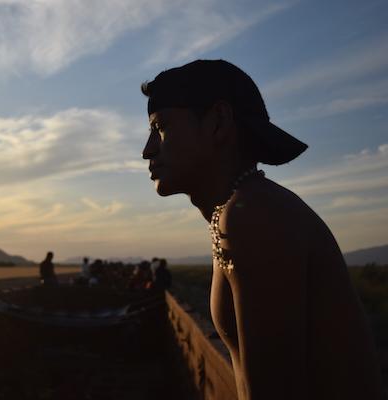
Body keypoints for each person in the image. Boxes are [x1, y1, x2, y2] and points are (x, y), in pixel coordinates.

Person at [141, 59, 382, 399]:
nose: (147, 149)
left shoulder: (254, 214)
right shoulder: (240, 210)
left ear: (218, 123)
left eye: (160, 127)